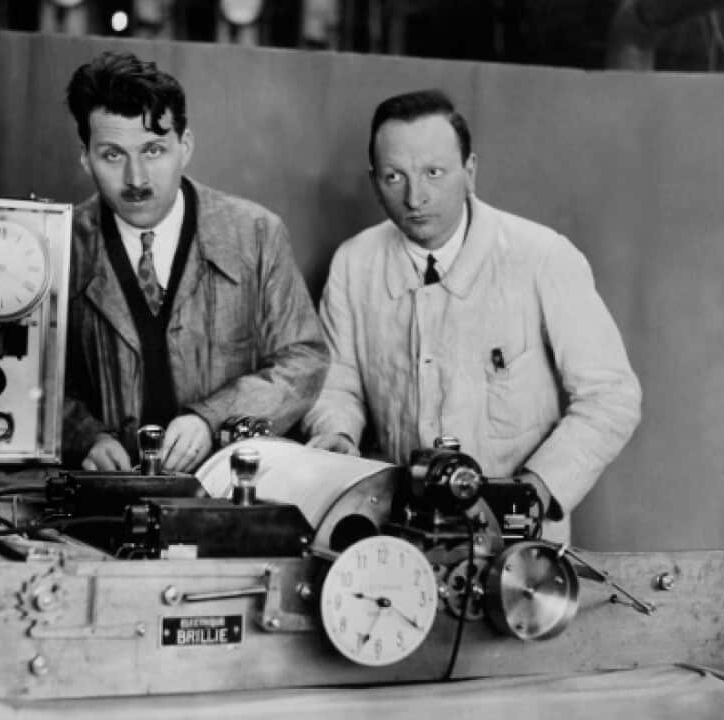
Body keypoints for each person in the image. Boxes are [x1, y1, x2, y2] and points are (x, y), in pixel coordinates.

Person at [302, 89, 641, 539]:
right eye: (394, 177)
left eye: (434, 173)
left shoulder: (542, 257)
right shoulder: (354, 263)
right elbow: (335, 385)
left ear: (470, 171)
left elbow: (611, 397)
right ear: (374, 183)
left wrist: (534, 491)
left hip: (520, 541)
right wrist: (337, 437)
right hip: (396, 531)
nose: (416, 197)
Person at [62, 51, 328, 473]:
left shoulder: (256, 233)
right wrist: (83, 437)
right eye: (112, 155)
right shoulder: (60, 245)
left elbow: (304, 361)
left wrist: (213, 419)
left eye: (153, 150)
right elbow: (32, 383)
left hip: (229, 486)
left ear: (184, 147)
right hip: (105, 493)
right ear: (85, 157)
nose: (136, 178)